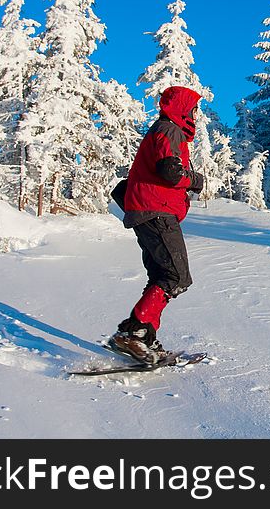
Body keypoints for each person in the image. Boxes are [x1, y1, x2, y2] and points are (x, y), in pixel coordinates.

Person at [109, 85, 204, 364]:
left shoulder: (164, 130)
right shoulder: (169, 130)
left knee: (162, 276)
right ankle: (134, 335)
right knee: (176, 276)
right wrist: (194, 180)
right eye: (194, 109)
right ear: (183, 110)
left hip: (149, 211)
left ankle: (142, 338)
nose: (197, 115)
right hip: (156, 211)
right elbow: (170, 172)